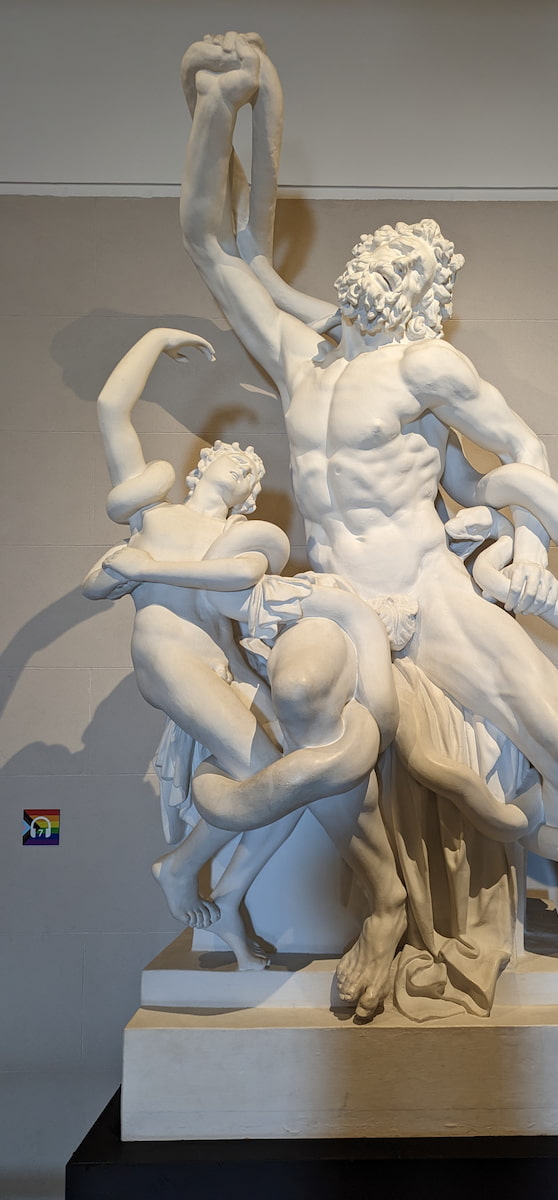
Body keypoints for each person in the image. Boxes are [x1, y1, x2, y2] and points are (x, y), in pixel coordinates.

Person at [177, 33, 558, 1032]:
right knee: (303, 698)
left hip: (428, 590)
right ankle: (375, 899)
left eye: (409, 267)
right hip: (337, 595)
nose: (388, 273)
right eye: (385, 261)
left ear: (425, 292)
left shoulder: (424, 366)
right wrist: (217, 107)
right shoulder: (300, 358)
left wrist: (525, 549)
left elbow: (521, 448)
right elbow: (213, 245)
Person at [83, 329, 406, 1012]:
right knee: (270, 779)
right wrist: (153, 340)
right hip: (166, 657)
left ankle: (223, 893)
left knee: (283, 779)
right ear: (200, 467)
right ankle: (184, 869)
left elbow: (236, 594)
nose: (236, 464)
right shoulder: (151, 515)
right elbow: (112, 408)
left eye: (247, 471)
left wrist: (149, 570)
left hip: (216, 666)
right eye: (227, 457)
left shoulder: (240, 543)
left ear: (247, 498)